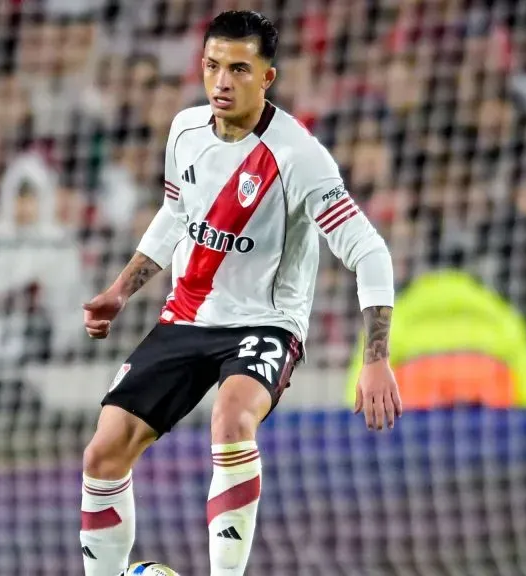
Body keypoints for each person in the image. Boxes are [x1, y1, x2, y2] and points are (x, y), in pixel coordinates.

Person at [78, 11, 402, 576]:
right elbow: (176, 214)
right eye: (211, 66)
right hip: (187, 317)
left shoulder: (299, 157)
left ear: (267, 77)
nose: (221, 81)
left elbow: (368, 251)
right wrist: (120, 290)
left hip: (265, 323)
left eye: (238, 69)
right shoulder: (184, 132)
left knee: (231, 421)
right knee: (103, 452)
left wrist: (377, 359)